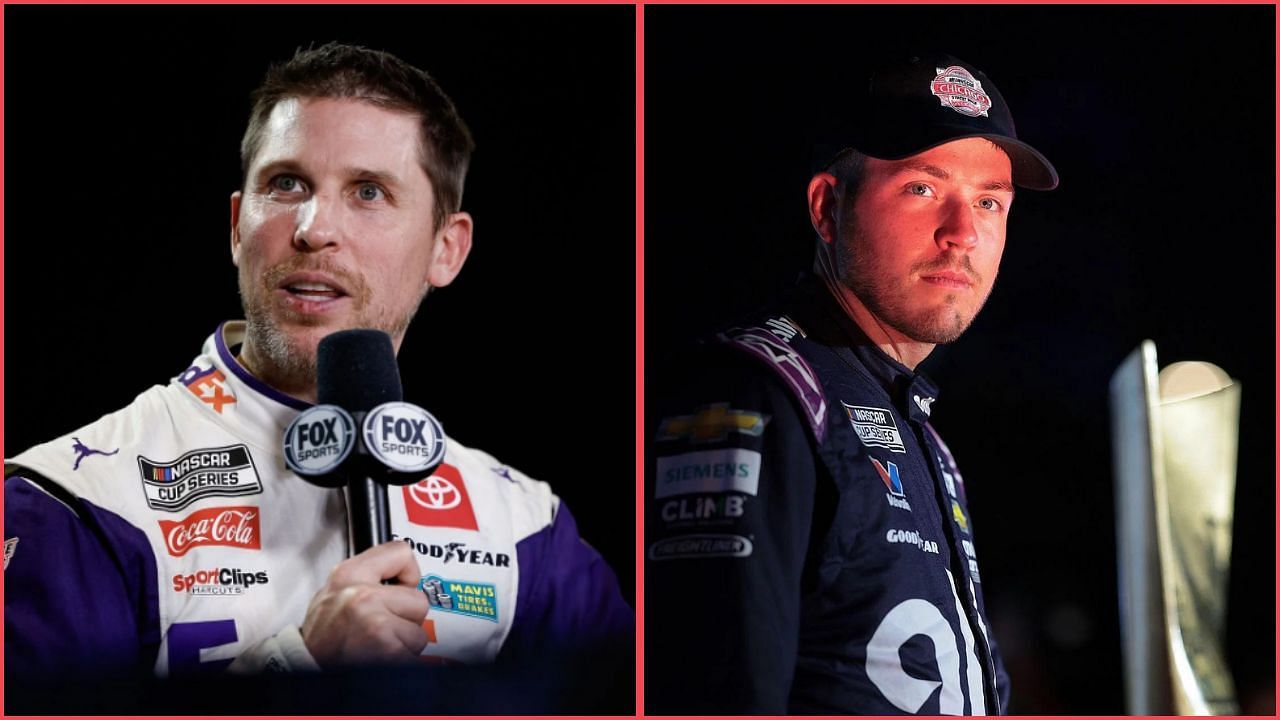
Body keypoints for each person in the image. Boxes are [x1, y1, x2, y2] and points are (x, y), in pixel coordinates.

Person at [5, 42, 632, 700]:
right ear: (235, 228)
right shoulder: (76, 500)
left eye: (368, 192)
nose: (313, 228)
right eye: (286, 185)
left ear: (446, 249)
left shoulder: (524, 527)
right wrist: (295, 667)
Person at [646, 52, 1057, 714]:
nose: (963, 233)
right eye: (923, 188)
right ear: (828, 207)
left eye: (989, 201)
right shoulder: (758, 392)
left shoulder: (918, 427)